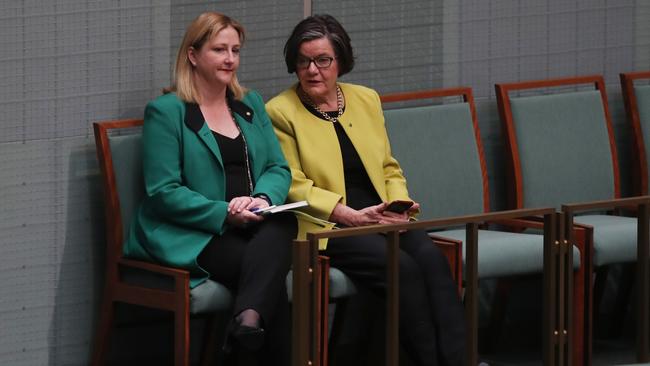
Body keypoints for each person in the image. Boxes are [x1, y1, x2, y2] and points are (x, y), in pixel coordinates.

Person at [266, 14, 465, 366]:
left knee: (434, 260)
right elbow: (291, 183)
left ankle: (458, 360)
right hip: (329, 224)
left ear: (340, 61)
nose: (313, 70)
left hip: (380, 213)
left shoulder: (366, 99)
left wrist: (399, 205)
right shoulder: (280, 111)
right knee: (401, 267)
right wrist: (347, 214)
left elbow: (388, 165)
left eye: (323, 60)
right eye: (303, 61)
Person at [124, 12, 296, 365]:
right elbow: (163, 191)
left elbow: (278, 167)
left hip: (253, 224)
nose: (230, 59)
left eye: (235, 50)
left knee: (283, 224)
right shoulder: (166, 111)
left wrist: (262, 199)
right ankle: (245, 329)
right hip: (194, 232)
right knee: (269, 277)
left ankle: (245, 326)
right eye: (219, 49)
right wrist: (226, 213)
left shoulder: (250, 103)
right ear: (193, 55)